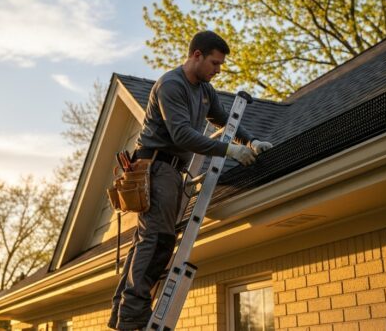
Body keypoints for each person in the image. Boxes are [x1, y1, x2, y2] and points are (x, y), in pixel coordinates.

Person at [109, 30, 273, 330]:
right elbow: (181, 134)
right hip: (155, 168)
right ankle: (132, 319)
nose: (218, 69)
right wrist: (229, 150)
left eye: (220, 64)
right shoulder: (171, 85)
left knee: (149, 241)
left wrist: (252, 141)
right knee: (157, 239)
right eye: (214, 62)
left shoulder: (204, 89)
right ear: (196, 55)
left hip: (171, 172)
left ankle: (124, 312)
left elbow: (222, 119)